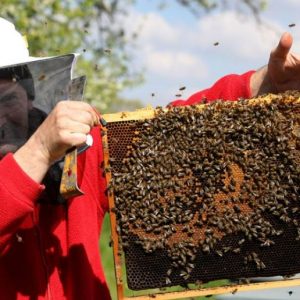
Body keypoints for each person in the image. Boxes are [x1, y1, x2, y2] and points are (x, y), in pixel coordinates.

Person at [0, 16, 300, 300]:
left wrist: (262, 87)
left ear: (28, 96)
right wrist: (38, 151)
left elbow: (172, 135)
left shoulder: (77, 160)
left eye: (7, 100)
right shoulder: (45, 147)